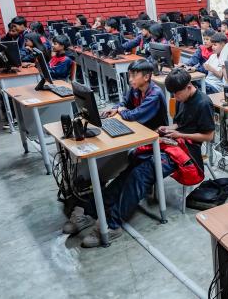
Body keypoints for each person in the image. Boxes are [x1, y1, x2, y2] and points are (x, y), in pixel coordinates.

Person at [75, 68, 214, 248]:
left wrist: (178, 133)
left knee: (142, 174)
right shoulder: (182, 98)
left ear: (189, 87)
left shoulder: (203, 103)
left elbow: (208, 136)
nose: (175, 97)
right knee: (132, 165)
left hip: (188, 153)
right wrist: (170, 129)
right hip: (173, 143)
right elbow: (184, 123)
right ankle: (91, 211)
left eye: (177, 93)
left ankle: (113, 224)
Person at [101, 59, 168, 130]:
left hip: (154, 132)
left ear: (146, 77)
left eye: (134, 76)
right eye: (129, 75)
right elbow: (125, 102)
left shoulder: (154, 95)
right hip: (139, 126)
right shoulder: (136, 87)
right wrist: (115, 108)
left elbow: (134, 115)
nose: (130, 79)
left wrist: (121, 111)